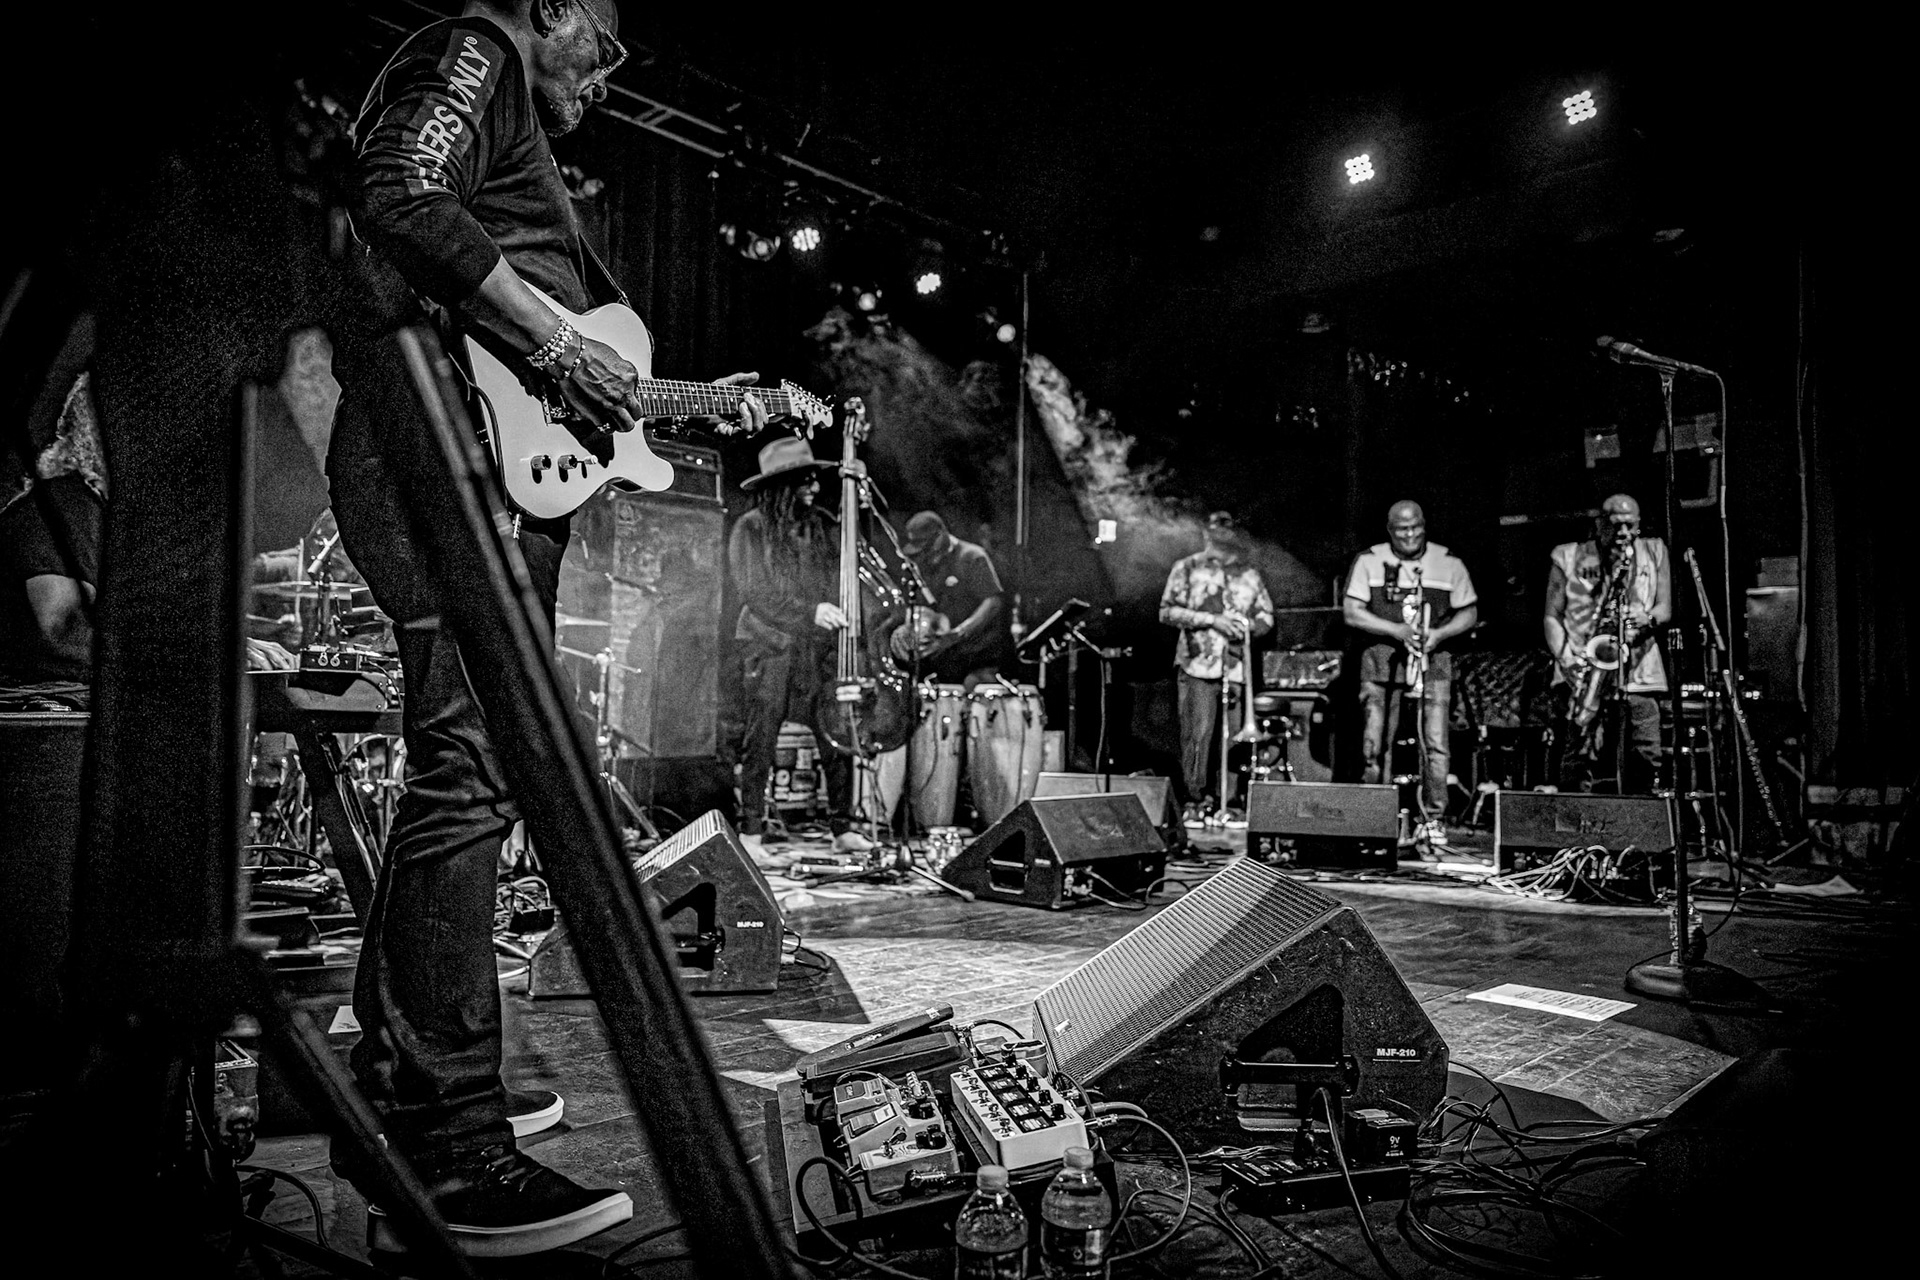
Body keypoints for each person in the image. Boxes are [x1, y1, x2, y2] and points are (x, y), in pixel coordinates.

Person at [329, 0, 766, 1256]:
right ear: (549, 4)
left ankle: (404, 1078)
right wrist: (559, 344)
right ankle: (449, 1146)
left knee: (463, 767)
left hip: (462, 457)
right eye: (605, 45)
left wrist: (635, 383)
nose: (611, 76)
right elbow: (399, 192)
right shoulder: (475, 52)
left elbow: (565, 363)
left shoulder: (505, 106)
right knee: (469, 770)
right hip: (440, 457)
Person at [727, 434, 875, 852]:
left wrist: (859, 501)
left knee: (836, 731)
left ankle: (843, 828)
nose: (814, 486)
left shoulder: (820, 524)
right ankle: (751, 831)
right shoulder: (750, 527)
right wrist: (810, 612)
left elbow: (853, 555)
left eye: (815, 478)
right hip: (769, 643)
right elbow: (755, 591)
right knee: (761, 738)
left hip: (817, 647)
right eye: (805, 480)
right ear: (783, 485)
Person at [1343, 500, 1477, 851]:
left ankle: (1433, 819)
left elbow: (1469, 612)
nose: (1410, 535)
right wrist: (1395, 630)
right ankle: (1374, 817)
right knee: (1375, 743)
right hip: (1381, 664)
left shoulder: (1448, 561)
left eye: (1416, 527)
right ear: (1390, 530)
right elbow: (1352, 612)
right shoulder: (1369, 560)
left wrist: (1439, 634)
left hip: (1434, 663)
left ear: (1424, 525)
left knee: (1435, 743)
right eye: (1402, 529)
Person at [1543, 493, 1671, 793]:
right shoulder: (1567, 555)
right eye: (1615, 525)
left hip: (1639, 670)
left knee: (1645, 754)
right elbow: (1551, 615)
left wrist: (1647, 618)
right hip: (1582, 669)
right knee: (1577, 759)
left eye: (1630, 526)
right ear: (1600, 524)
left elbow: (1665, 609)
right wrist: (1567, 659)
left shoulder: (1654, 551)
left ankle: (1642, 817)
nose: (1623, 533)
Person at [1159, 511, 1273, 821]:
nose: (1223, 533)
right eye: (1217, 528)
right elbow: (1166, 611)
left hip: (1235, 666)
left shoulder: (1249, 573)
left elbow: (1267, 616)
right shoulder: (1187, 567)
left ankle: (1230, 803)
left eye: (1228, 528)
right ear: (1206, 532)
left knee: (1233, 738)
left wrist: (1247, 627)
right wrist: (1212, 620)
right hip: (1197, 663)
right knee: (1198, 735)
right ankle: (1196, 801)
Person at [893, 510, 1009, 688]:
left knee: (971, 688)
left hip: (977, 657)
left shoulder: (972, 556)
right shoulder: (923, 564)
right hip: (945, 658)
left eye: (926, 546)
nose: (923, 553)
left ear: (940, 535)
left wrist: (958, 633)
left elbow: (993, 602)